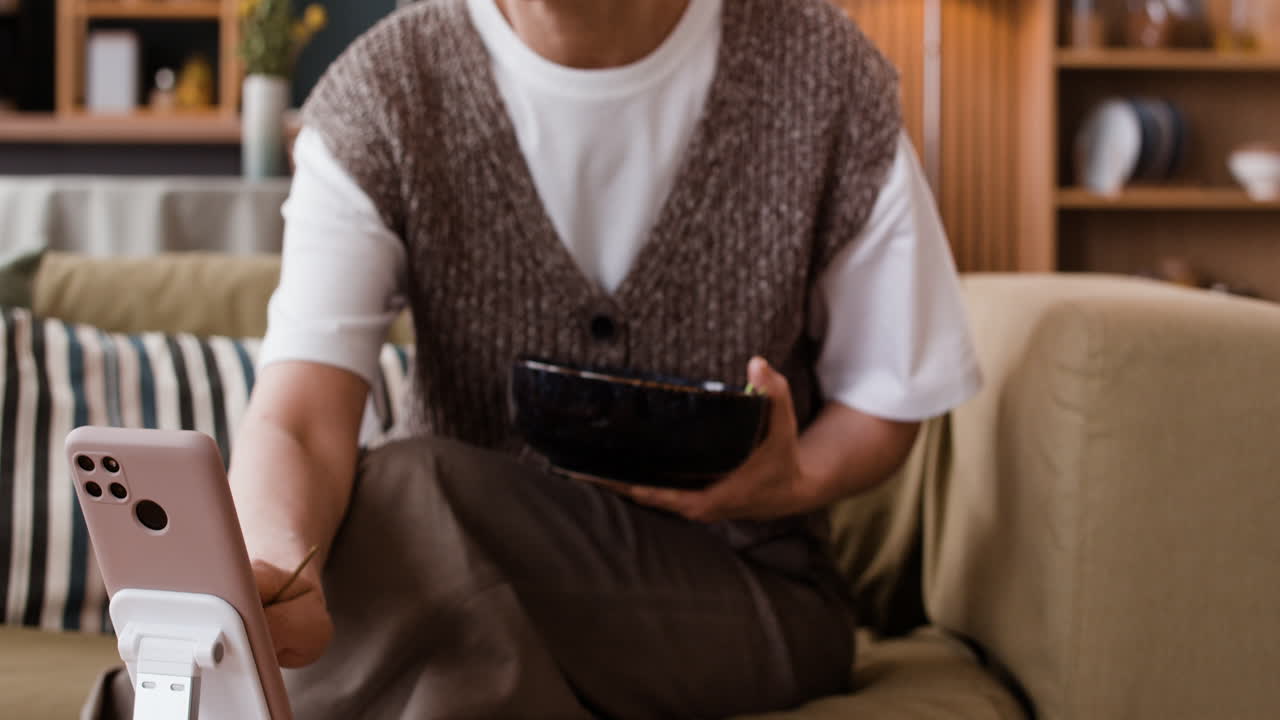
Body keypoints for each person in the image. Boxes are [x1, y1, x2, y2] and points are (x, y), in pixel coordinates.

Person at [89, 0, 981, 717]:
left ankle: (158, 702)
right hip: (455, 590)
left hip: (746, 593)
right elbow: (297, 413)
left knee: (408, 491)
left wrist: (790, 482)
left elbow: (893, 398)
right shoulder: (386, 92)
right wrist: (279, 573)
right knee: (457, 666)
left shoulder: (822, 74)